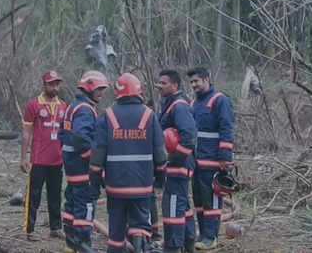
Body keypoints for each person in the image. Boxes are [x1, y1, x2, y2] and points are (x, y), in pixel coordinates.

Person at [90, 73, 167, 253]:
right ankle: (141, 247)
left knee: (116, 231)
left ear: (118, 93)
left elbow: (97, 154)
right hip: (142, 186)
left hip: (115, 187)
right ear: (139, 91)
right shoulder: (149, 115)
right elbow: (160, 153)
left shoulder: (107, 116)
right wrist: (160, 177)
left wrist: (95, 179)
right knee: (141, 225)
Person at [59, 70, 109, 253]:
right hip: (82, 168)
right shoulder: (86, 110)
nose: (101, 94)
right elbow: (81, 138)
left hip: (72, 167)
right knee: (85, 205)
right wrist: (94, 162)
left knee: (71, 204)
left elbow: (62, 135)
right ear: (89, 88)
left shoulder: (73, 107)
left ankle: (71, 244)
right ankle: (83, 244)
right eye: (99, 90)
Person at [187, 67, 234, 250]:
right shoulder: (193, 104)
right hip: (196, 162)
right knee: (199, 200)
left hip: (213, 161)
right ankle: (203, 233)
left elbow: (226, 129)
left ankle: (211, 236)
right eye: (191, 82)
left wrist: (225, 158)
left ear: (206, 79)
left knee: (212, 200)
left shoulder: (220, 100)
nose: (194, 85)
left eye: (196, 81)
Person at [21, 70, 67, 241]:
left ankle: (55, 228)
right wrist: (24, 157)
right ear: (44, 85)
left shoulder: (64, 106)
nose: (55, 87)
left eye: (57, 83)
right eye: (51, 84)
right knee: (34, 194)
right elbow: (26, 133)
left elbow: (66, 134)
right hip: (38, 159)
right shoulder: (33, 105)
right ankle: (29, 230)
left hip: (57, 159)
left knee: (55, 195)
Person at [157, 69, 197, 253]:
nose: (160, 86)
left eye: (164, 83)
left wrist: (173, 159)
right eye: (159, 82)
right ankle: (189, 243)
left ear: (175, 85)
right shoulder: (170, 104)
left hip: (178, 167)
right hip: (177, 167)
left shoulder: (179, 106)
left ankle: (173, 247)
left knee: (172, 208)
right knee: (183, 207)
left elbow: (188, 136)